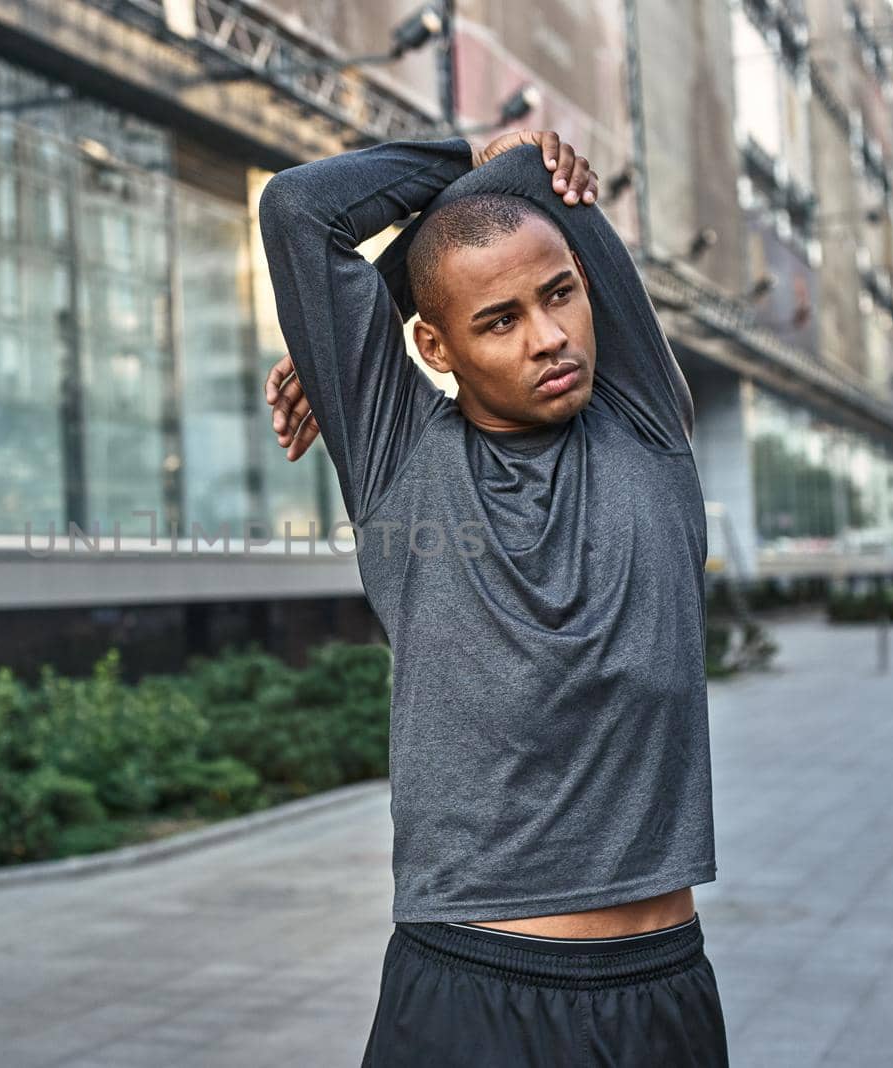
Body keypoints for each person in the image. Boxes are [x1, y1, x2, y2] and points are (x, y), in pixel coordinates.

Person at [256, 130, 729, 1065]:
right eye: (498, 320)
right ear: (433, 346)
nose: (550, 336)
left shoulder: (646, 423)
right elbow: (299, 212)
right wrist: (463, 164)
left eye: (560, 294)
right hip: (471, 989)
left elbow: (524, 178)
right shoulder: (401, 458)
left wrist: (502, 167)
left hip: (663, 991)